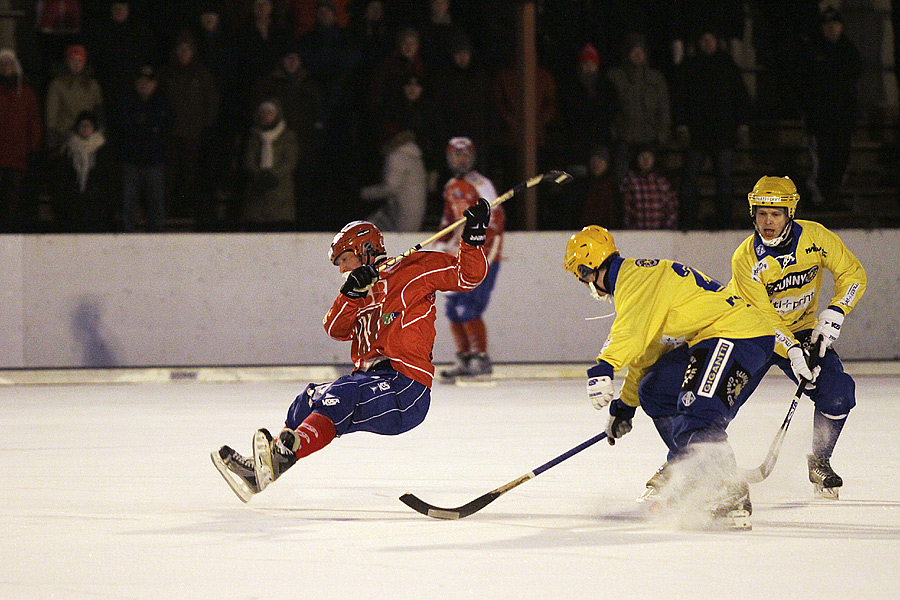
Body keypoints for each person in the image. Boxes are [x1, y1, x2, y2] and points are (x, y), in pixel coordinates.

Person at [211, 207, 491, 502]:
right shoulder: (357, 290)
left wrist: (473, 237)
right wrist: (351, 295)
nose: (342, 269)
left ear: (366, 249)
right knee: (308, 399)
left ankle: (285, 454)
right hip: (372, 382)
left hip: (406, 388)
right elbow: (334, 328)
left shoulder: (414, 270)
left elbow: (468, 276)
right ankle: (261, 471)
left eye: (344, 259)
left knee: (344, 391)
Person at [564, 225, 774, 529]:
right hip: (712, 340)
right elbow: (647, 352)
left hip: (737, 335)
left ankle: (730, 492)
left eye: (581, 277)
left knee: (699, 415)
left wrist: (604, 366)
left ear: (587, 269)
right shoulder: (635, 282)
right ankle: (694, 468)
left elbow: (630, 332)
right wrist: (626, 404)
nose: (585, 284)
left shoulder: (635, 281)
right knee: (655, 390)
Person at [727, 175, 866, 499]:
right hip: (752, 332)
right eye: (762, 213)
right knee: (716, 402)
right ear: (753, 213)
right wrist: (790, 349)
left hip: (803, 330)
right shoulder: (745, 258)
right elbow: (762, 315)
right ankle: (682, 465)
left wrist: (835, 311)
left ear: (790, 213)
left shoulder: (816, 237)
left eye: (775, 214)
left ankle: (820, 459)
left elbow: (853, 274)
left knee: (838, 393)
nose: (768, 221)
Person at [437, 137, 504, 380]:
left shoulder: (482, 184)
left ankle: (481, 358)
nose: (460, 159)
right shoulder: (451, 186)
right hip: (458, 255)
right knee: (453, 308)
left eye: (465, 155)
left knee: (469, 307)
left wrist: (478, 244)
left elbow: (495, 220)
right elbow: (448, 220)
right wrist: (440, 244)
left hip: (483, 255)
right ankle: (463, 357)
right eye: (456, 154)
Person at [674, 28, 751, 229]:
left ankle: (725, 222)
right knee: (690, 179)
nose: (708, 42)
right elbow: (680, 98)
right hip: (697, 133)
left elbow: (740, 98)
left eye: (711, 38)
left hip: (723, 133)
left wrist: (742, 125)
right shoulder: (689, 66)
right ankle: (688, 221)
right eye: (704, 38)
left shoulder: (728, 66)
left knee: (724, 180)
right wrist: (682, 125)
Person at [799, 7, 861, 209]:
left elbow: (854, 84)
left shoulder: (849, 51)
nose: (831, 29)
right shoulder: (813, 52)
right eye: (827, 25)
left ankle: (833, 194)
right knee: (822, 160)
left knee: (840, 159)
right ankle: (820, 197)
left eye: (835, 25)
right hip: (821, 120)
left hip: (842, 118)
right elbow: (805, 86)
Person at [113, 65, 173, 232]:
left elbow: (166, 128)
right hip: (131, 162)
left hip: (154, 162)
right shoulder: (127, 102)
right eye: (141, 81)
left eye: (149, 82)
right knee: (128, 205)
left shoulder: (162, 103)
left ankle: (156, 240)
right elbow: (124, 128)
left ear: (155, 84)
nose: (144, 85)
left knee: (156, 205)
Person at [0, 48, 43, 232]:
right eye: (2, 64)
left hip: (18, 156)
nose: (6, 67)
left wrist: (33, 147)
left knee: (14, 199)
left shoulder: (26, 92)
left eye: (9, 64)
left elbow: (34, 121)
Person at [53, 110, 115, 231]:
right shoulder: (69, 149)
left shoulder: (102, 149)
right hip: (74, 205)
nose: (85, 128)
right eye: (82, 125)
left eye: (89, 125)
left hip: (96, 204)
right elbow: (62, 179)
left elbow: (108, 179)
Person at [242, 99, 299, 231]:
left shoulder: (287, 136)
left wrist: (274, 174)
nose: (266, 116)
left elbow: (290, 160)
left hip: (280, 188)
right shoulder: (254, 136)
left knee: (278, 223)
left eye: (270, 113)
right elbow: (249, 158)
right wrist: (259, 174)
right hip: (258, 188)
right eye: (264, 113)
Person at [360, 127, 427, 233]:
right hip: (412, 213)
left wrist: (364, 193)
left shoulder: (397, 156)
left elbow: (391, 188)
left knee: (363, 231)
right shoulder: (413, 154)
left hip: (403, 216)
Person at [619, 145, 678, 230]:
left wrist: (665, 231)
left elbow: (672, 209)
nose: (646, 160)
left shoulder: (662, 182)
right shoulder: (629, 181)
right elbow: (625, 210)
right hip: (636, 234)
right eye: (642, 157)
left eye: (649, 157)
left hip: (660, 234)